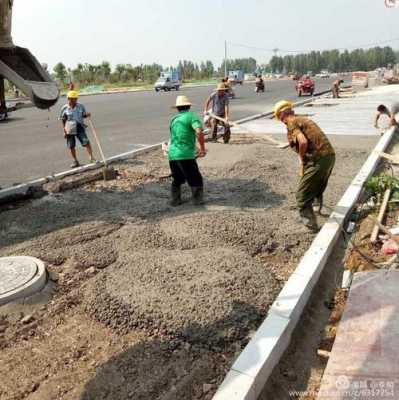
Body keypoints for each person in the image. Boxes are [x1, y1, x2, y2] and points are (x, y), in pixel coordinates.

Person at [274, 100, 336, 231]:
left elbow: (302, 142)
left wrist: (302, 157)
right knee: (317, 185)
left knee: (302, 195)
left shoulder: (291, 122)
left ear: (282, 115)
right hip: (329, 156)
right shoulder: (303, 119)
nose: (281, 121)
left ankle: (310, 225)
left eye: (279, 118)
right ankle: (316, 208)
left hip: (317, 160)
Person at [168, 95, 207, 206]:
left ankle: (175, 200)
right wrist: (202, 148)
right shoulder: (191, 116)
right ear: (189, 106)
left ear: (177, 108)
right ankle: (197, 200)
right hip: (185, 155)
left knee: (177, 178)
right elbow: (199, 132)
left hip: (173, 155)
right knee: (195, 178)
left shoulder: (174, 120)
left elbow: (176, 137)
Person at [59, 91, 95, 168]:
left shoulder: (81, 106)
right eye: (71, 99)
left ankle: (91, 157)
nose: (73, 100)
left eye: (74, 99)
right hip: (69, 127)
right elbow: (63, 120)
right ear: (68, 99)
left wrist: (86, 115)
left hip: (79, 126)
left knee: (86, 142)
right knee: (71, 146)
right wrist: (64, 131)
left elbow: (83, 115)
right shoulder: (64, 108)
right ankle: (75, 161)